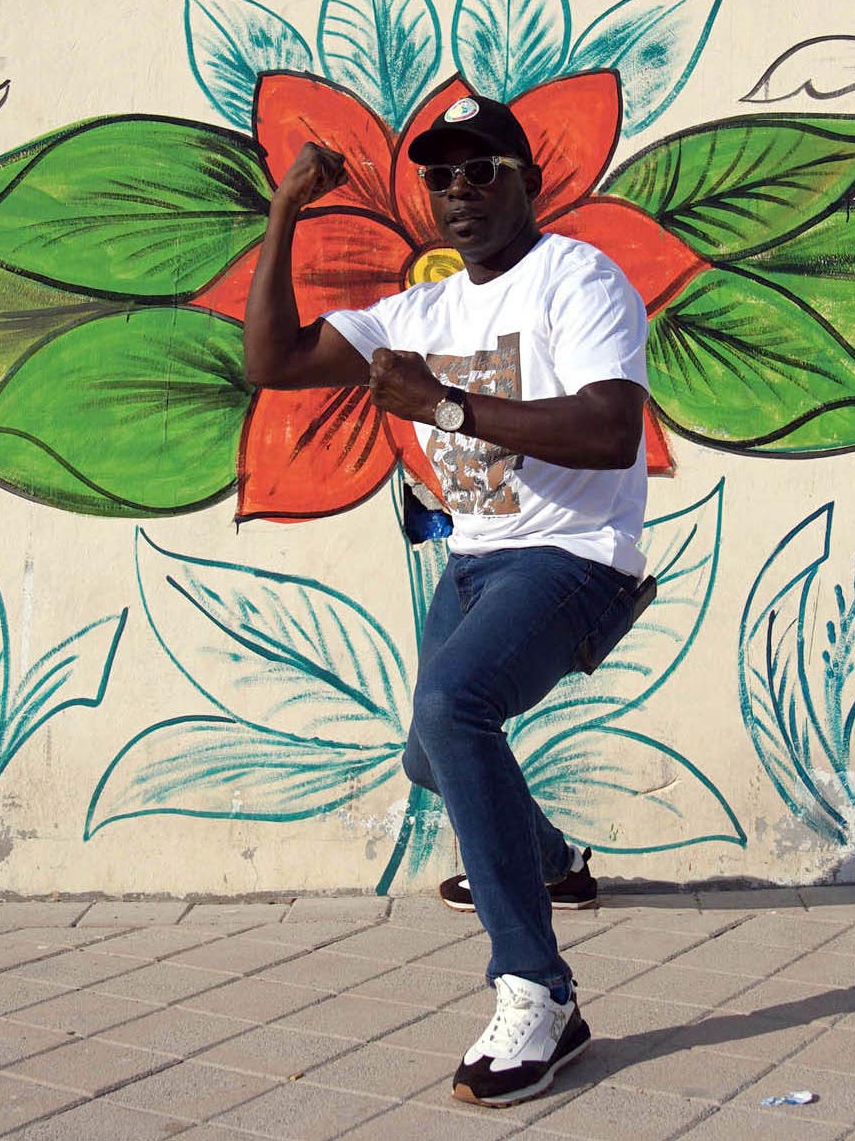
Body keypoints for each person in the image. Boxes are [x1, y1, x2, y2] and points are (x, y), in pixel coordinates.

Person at [239, 91, 658, 1107]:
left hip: (574, 560)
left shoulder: (577, 279)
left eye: (484, 170)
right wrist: (286, 208)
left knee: (451, 707)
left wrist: (446, 404)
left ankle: (537, 992)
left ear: (529, 181)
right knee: (427, 752)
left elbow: (610, 430)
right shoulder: (417, 310)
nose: (460, 190)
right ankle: (549, 859)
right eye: (441, 174)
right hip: (472, 563)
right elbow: (274, 361)